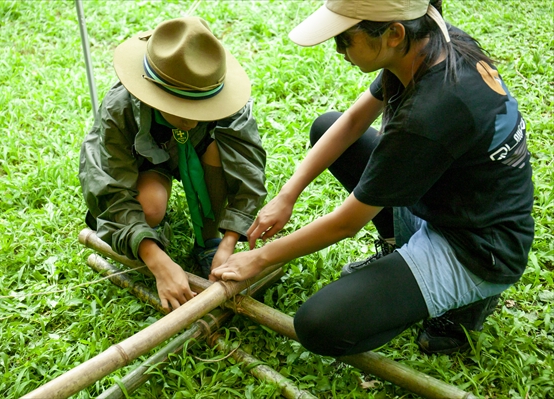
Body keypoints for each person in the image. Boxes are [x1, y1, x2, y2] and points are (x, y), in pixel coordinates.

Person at [211, 0, 534, 356]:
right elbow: (350, 123)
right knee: (327, 127)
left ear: (393, 34)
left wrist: (257, 259)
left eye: (344, 39)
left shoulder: (428, 113)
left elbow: (345, 224)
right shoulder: (428, 41)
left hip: (478, 248)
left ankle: (463, 304)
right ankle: (401, 248)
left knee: (320, 326)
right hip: (448, 200)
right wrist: (287, 194)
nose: (338, 50)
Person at [79, 17, 267, 312]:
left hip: (199, 154)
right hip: (145, 162)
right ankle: (152, 227)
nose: (191, 121)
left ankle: (208, 238)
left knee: (219, 149)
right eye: (180, 110)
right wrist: (156, 259)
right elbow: (110, 189)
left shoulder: (223, 96)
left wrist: (228, 241)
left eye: (200, 109)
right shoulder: (121, 108)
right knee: (149, 207)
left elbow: (248, 168)